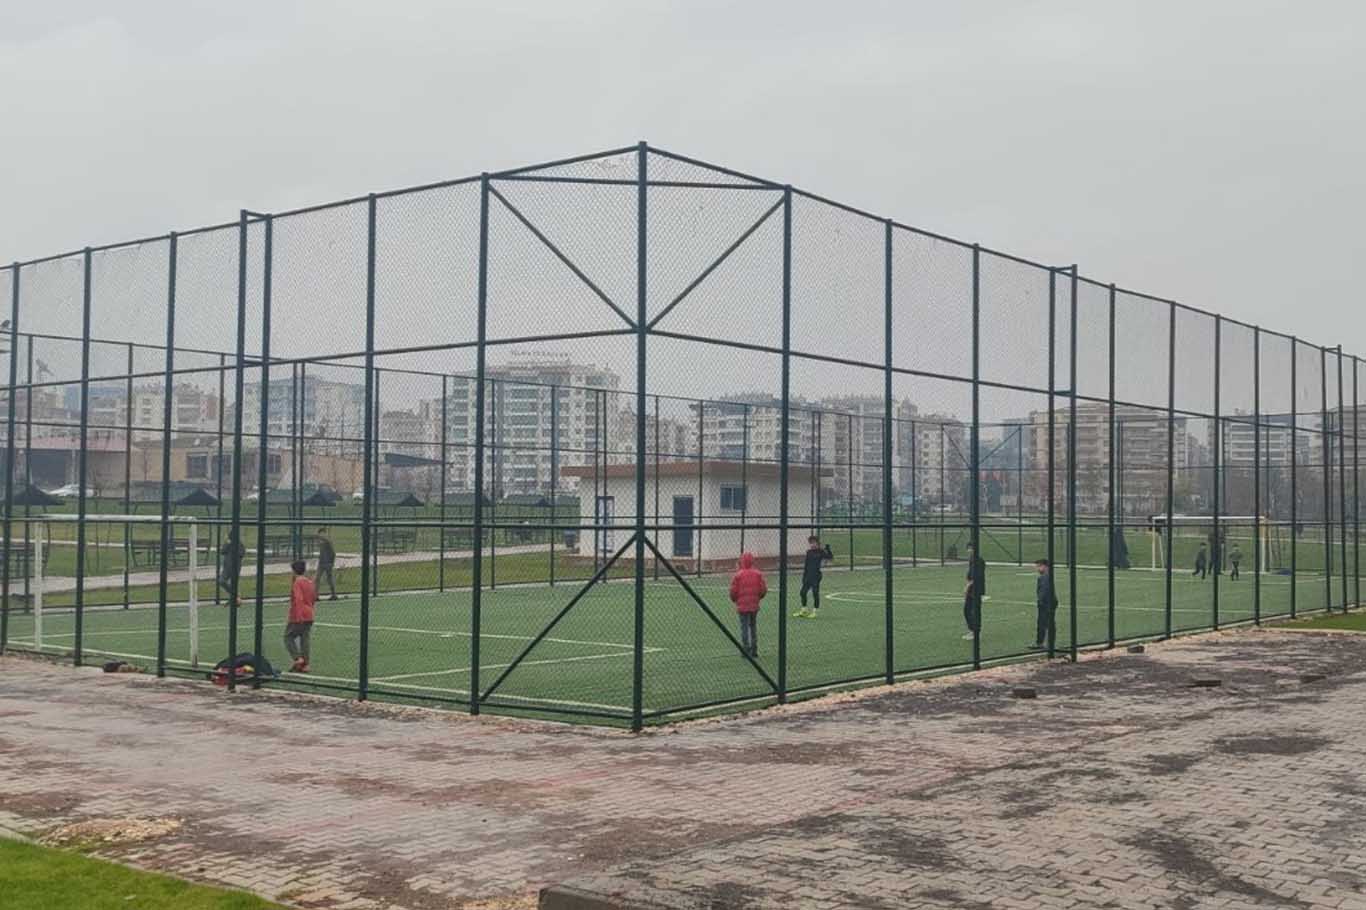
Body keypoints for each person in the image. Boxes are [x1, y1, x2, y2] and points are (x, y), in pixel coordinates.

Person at [728, 552, 767, 659]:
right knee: (753, 626)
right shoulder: (758, 574)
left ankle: (745, 649)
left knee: (744, 627)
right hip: (754, 605)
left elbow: (733, 591)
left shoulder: (738, 575)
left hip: (742, 606)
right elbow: (763, 589)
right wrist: (758, 598)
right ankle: (754, 650)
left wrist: (735, 600)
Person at [285, 560, 318, 673]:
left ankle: (298, 658)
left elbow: (299, 599)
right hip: (309, 613)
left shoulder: (297, 582)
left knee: (288, 637)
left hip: (298, 614)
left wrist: (299, 615)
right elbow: (313, 598)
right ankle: (306, 665)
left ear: (294, 571)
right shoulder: (309, 582)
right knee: (305, 639)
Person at [796, 536, 834, 619]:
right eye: (811, 543)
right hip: (808, 575)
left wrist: (828, 549)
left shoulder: (821, 552)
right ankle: (804, 610)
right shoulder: (809, 552)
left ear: (818, 543)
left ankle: (815, 611)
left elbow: (830, 557)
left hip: (816, 576)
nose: (812, 545)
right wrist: (804, 576)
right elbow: (806, 565)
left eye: (814, 543)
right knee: (803, 592)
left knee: (815, 593)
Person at [1032, 558, 1059, 650]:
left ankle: (1047, 644)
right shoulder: (1045, 576)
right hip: (1047, 602)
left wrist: (1040, 600)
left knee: (1046, 623)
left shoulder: (1045, 577)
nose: (1037, 569)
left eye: (1039, 566)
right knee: (1042, 623)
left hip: (1047, 603)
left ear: (1045, 566)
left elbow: (1044, 591)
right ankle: (1041, 643)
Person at [962, 544, 986, 640]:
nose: (969, 550)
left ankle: (976, 631)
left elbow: (976, 576)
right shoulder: (972, 559)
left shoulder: (978, 560)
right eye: (968, 549)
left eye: (971, 548)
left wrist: (967, 587)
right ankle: (972, 630)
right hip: (972, 589)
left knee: (974, 611)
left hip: (976, 589)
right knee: (967, 610)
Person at [217, 531, 246, 606]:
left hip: (235, 568)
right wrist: (227, 543)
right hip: (226, 567)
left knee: (233, 584)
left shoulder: (239, 544)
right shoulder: (228, 543)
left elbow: (242, 554)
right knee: (221, 581)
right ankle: (236, 595)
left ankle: (234, 600)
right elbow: (223, 551)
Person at [315, 527, 338, 600]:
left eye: (322, 534)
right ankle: (316, 596)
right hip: (321, 563)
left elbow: (333, 553)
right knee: (317, 579)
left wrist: (331, 562)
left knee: (329, 579)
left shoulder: (328, 541)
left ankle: (333, 595)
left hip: (328, 563)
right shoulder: (321, 542)